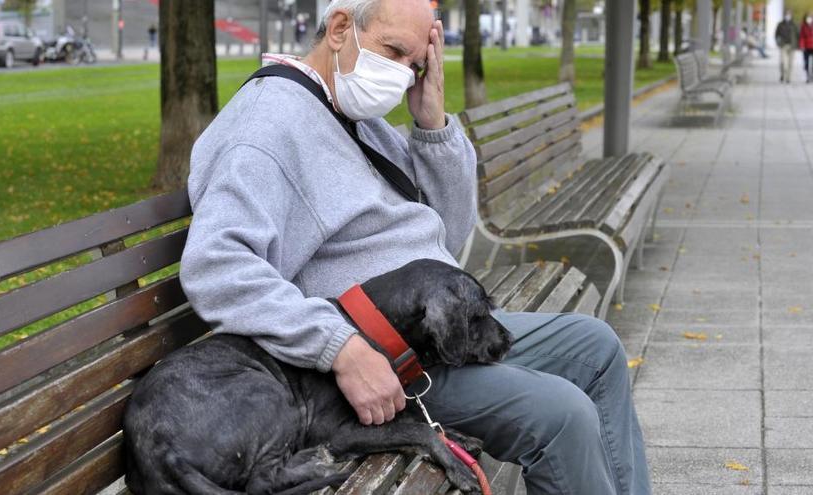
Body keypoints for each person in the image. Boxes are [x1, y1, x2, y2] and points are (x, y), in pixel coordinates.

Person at [179, 0, 651, 493]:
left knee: (596, 348)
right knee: (562, 416)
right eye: (393, 52)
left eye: (415, 64)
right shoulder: (266, 127)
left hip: (432, 330)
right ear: (340, 28)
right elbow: (216, 267)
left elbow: (447, 235)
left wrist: (432, 125)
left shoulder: (353, 113)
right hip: (379, 364)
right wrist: (339, 348)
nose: (402, 76)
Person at [776, 11, 800, 83]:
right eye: (786, 14)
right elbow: (777, 34)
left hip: (792, 46)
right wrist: (778, 43)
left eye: (789, 15)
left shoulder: (794, 24)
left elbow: (798, 35)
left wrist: (797, 45)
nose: (788, 16)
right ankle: (783, 74)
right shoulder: (780, 24)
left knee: (790, 63)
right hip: (783, 45)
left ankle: (788, 78)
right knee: (783, 62)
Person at [800, 14, 813, 83]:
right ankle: (808, 76)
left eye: (810, 18)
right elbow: (802, 37)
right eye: (808, 18)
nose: (809, 19)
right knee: (806, 63)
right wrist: (802, 46)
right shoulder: (803, 26)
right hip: (806, 47)